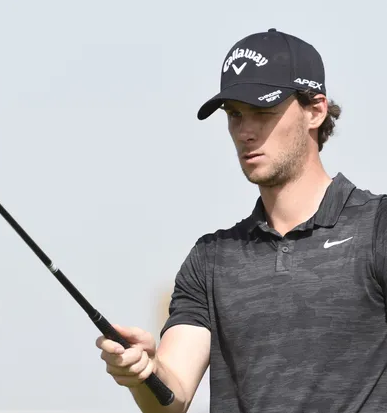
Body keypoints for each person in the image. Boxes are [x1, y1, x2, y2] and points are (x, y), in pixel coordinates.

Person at [95, 28, 387, 412]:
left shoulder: (377, 228)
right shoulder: (211, 258)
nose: (245, 132)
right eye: (235, 115)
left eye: (263, 112)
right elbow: (170, 398)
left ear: (315, 111)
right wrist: (144, 372)